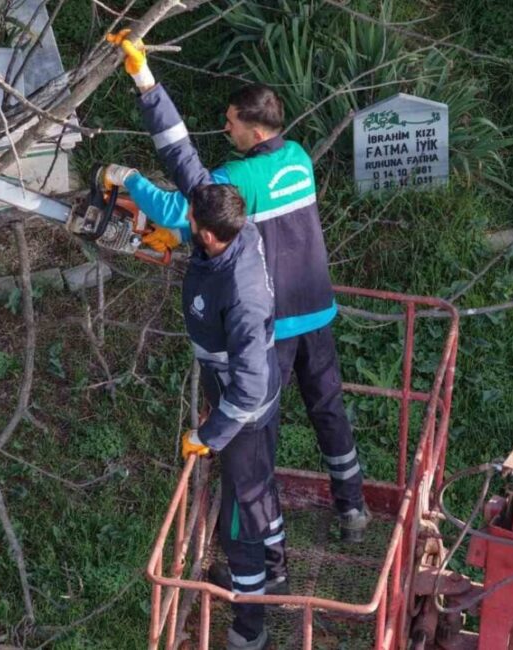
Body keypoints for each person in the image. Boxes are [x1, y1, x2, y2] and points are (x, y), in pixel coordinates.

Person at [103, 27, 369, 587]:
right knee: (328, 409)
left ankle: (266, 557)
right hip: (317, 311)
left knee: (253, 445)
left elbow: (181, 199)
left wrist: (129, 177)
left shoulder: (236, 180)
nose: (225, 129)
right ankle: (352, 506)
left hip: (273, 325)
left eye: (230, 122)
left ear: (254, 128)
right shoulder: (298, 158)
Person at [175, 183, 283, 650]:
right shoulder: (241, 232)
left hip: (245, 417)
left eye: (190, 223)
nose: (186, 223)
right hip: (255, 405)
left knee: (241, 525)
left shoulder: (241, 297)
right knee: (260, 491)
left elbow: (249, 387)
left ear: (208, 235)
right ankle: (275, 572)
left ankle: (248, 629)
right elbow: (193, 177)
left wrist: (209, 435)